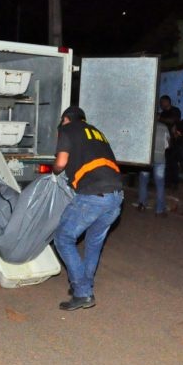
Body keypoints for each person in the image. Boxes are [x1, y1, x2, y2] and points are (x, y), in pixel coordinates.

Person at [52, 106, 123, 311]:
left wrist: (54, 171)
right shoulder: (96, 132)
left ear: (66, 119)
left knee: (63, 238)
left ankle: (82, 292)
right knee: (94, 242)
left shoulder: (67, 129)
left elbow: (61, 162)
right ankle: (85, 284)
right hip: (116, 196)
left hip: (94, 195)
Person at [135, 121, 169, 216]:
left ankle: (142, 205)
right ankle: (159, 210)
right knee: (160, 184)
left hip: (146, 158)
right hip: (160, 158)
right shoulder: (164, 126)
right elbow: (167, 144)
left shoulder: (144, 124)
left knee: (143, 182)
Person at [158, 95, 181, 188]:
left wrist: (159, 118)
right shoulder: (163, 113)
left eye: (162, 102)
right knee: (166, 162)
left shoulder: (175, 110)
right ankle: (167, 182)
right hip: (164, 141)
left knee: (173, 162)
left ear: (167, 101)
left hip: (173, 140)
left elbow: (172, 121)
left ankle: (175, 183)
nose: (161, 104)